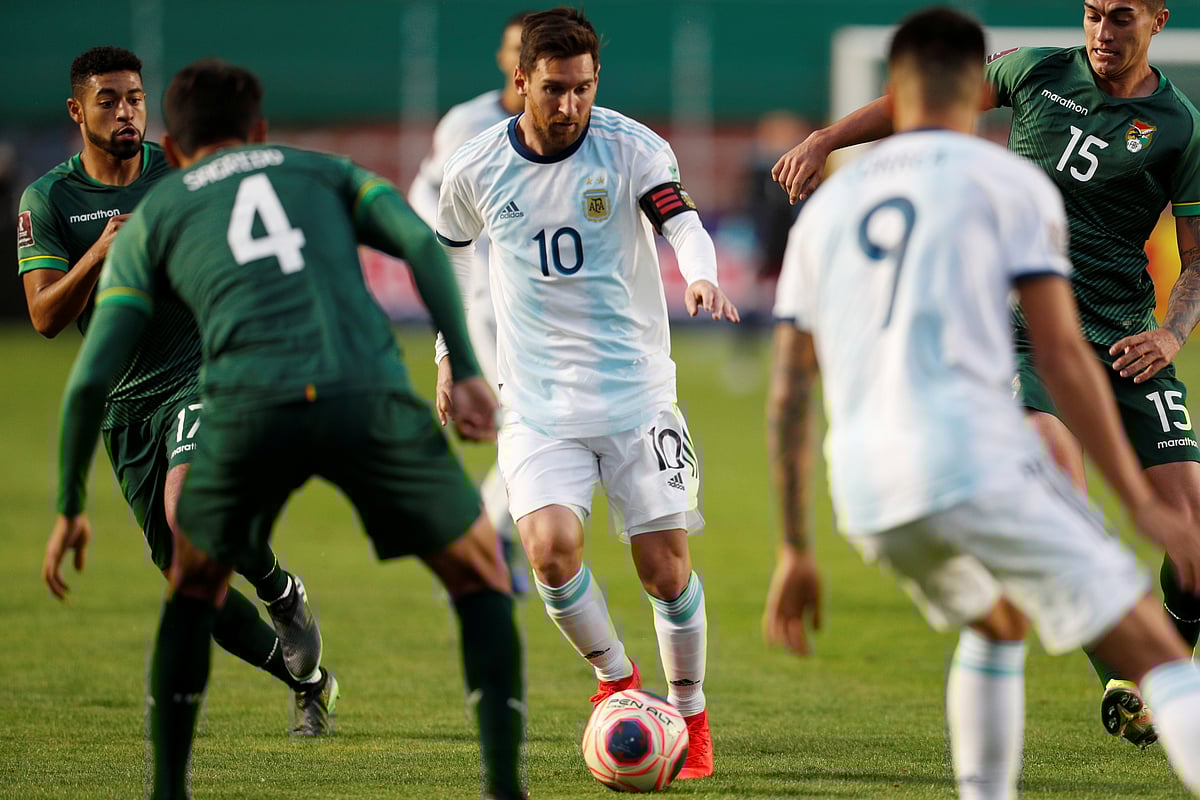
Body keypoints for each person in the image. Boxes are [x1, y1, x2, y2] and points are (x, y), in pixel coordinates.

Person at [51, 59, 527, 800]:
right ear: (263, 131)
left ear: (172, 150)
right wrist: (464, 365)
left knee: (192, 584)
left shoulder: (158, 213)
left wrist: (69, 504)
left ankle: (168, 790)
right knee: (480, 572)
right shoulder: (330, 172)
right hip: (362, 388)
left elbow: (85, 379)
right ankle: (504, 788)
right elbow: (424, 245)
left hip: (245, 404)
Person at [765, 7, 1200, 798]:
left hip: (875, 477)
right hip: (1027, 364)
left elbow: (789, 387)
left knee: (1023, 613)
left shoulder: (835, 207)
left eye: (1121, 14)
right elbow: (1060, 348)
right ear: (982, 86)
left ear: (1157, 19)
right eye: (1093, 11)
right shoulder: (1014, 161)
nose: (1103, 27)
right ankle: (1131, 672)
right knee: (1066, 492)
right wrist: (1134, 497)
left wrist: (795, 546)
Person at [435, 6, 739, 781]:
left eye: (583, 88)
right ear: (521, 83)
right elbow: (454, 261)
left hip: (638, 396)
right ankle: (616, 679)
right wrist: (449, 355)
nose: (570, 105)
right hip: (536, 402)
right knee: (548, 551)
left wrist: (701, 272)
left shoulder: (632, 148)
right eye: (554, 90)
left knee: (664, 570)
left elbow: (680, 220)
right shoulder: (475, 167)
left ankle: (691, 714)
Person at [18, 46, 331, 735]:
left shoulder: (177, 169)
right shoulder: (49, 200)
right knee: (195, 584)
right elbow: (43, 317)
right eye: (109, 100)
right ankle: (306, 678)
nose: (126, 111)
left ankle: (279, 589)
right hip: (126, 408)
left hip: (203, 373)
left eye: (134, 98)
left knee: (191, 507)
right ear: (77, 110)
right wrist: (100, 254)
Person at [410, 10, 528, 593]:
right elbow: (426, 194)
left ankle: (488, 539)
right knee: (529, 427)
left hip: (541, 305)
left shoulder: (566, 129)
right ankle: (487, 544)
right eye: (516, 50)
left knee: (537, 428)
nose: (524, 60)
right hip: (485, 300)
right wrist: (447, 257)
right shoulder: (468, 123)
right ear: (507, 60)